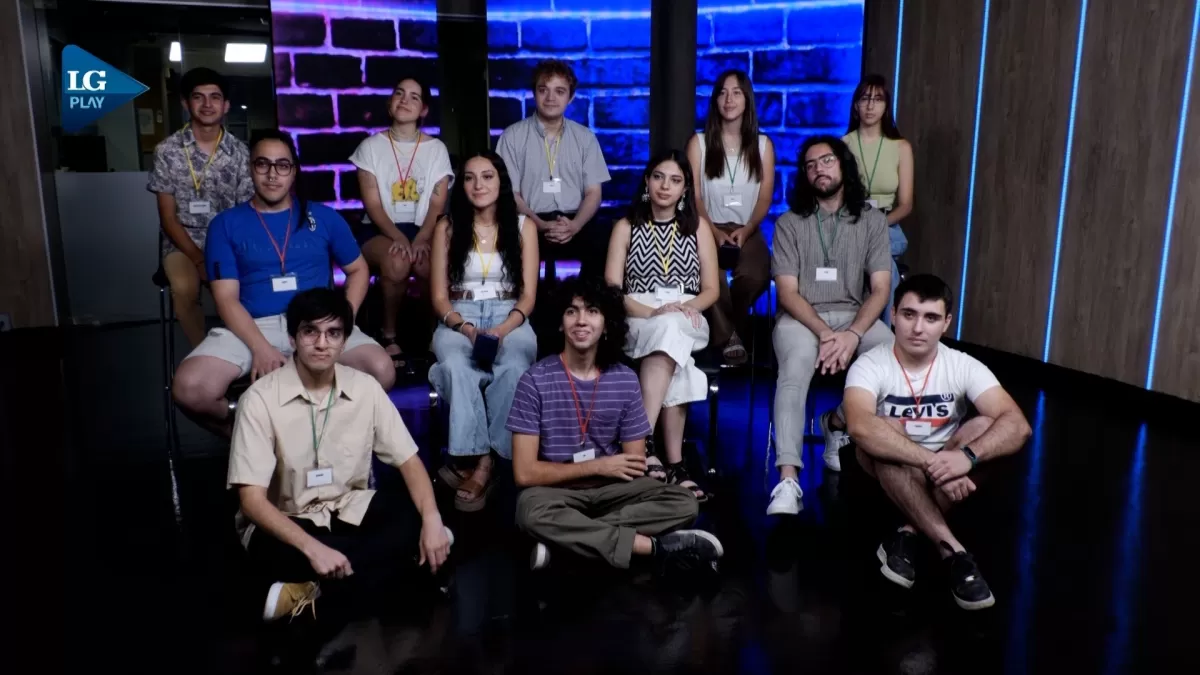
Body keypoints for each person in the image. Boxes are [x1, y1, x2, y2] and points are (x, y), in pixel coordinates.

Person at [228, 288, 453, 625]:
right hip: (289, 520)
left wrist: (432, 520)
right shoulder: (259, 400)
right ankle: (395, 571)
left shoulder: (365, 388)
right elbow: (251, 502)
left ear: (345, 341)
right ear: (292, 338)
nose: (322, 344)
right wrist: (312, 548)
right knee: (271, 550)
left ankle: (311, 589)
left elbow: (409, 461)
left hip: (349, 509)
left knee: (415, 517)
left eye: (333, 333)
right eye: (310, 332)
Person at [173, 130, 395, 437]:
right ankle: (256, 439)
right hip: (252, 326)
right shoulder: (225, 224)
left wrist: (342, 321)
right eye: (262, 164)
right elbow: (225, 299)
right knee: (190, 388)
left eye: (282, 165)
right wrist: (260, 348)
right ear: (251, 168)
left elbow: (358, 270)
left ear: (294, 171)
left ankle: (318, 438)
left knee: (381, 371)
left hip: (317, 322)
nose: (272, 174)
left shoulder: (324, 217)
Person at [842, 274, 1031, 609]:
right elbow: (859, 427)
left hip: (948, 461)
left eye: (930, 318)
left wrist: (966, 457)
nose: (918, 328)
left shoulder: (962, 364)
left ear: (946, 323)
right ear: (893, 315)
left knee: (987, 424)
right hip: (893, 467)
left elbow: (1018, 426)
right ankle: (954, 552)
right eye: (909, 314)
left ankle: (908, 534)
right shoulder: (869, 364)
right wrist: (935, 463)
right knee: (884, 428)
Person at [510, 275, 723, 573]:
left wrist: (606, 473)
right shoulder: (534, 380)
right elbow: (524, 473)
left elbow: (633, 463)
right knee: (528, 510)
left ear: (607, 324)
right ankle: (652, 547)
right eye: (571, 311)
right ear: (560, 323)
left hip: (613, 493)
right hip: (556, 491)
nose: (581, 321)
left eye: (592, 311)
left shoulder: (624, 379)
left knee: (684, 502)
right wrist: (598, 466)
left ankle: (565, 542)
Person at [767, 135, 893, 515]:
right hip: (801, 318)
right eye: (810, 165)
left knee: (893, 360)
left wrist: (852, 334)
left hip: (855, 316)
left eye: (826, 160)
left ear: (843, 166)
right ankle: (788, 479)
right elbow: (787, 293)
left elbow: (881, 289)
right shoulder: (789, 223)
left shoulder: (872, 221)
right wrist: (825, 333)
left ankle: (836, 421)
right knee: (793, 372)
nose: (818, 169)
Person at [605, 150, 719, 501]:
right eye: (658, 177)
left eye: (675, 180)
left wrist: (681, 309)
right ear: (647, 181)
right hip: (638, 314)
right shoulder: (625, 226)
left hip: (688, 313)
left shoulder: (698, 228)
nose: (665, 186)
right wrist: (653, 313)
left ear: (685, 188)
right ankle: (676, 465)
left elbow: (711, 289)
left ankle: (641, 440)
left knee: (672, 330)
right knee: (675, 358)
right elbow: (612, 289)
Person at [429, 151, 539, 512]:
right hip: (459, 315)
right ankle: (481, 460)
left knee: (514, 368)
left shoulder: (523, 226)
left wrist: (502, 330)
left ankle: (481, 463)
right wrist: (467, 329)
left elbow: (528, 297)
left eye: (487, 176)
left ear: (501, 181)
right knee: (456, 367)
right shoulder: (447, 227)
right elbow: (439, 298)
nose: (478, 185)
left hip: (510, 314)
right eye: (470, 177)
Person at [350, 77, 454, 369]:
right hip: (379, 228)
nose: (405, 100)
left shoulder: (436, 149)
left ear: (424, 110)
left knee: (426, 263)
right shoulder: (370, 147)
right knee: (397, 261)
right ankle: (389, 335)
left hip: (424, 227)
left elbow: (437, 204)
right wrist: (397, 236)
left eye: (414, 97)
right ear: (390, 103)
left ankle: (435, 333)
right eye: (399, 93)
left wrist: (422, 237)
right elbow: (372, 204)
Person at [148, 67, 253, 347]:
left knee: (252, 283)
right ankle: (203, 353)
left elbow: (244, 214)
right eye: (198, 97)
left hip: (228, 242)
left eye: (215, 97)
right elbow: (168, 218)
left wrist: (224, 254)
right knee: (184, 288)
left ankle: (243, 351)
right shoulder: (167, 151)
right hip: (182, 244)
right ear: (186, 103)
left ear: (226, 105)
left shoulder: (241, 153)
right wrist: (198, 259)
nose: (207, 104)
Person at [685, 69, 775, 365]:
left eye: (736, 93)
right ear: (715, 100)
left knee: (754, 276)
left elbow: (764, 197)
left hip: (747, 227)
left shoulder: (763, 145)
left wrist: (747, 229)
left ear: (747, 99)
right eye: (722, 93)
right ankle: (730, 338)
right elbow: (695, 196)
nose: (729, 99)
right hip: (705, 226)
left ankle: (729, 326)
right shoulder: (699, 143)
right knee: (711, 279)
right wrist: (712, 231)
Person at [496, 59, 612, 279]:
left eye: (559, 91)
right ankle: (529, 300)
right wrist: (539, 224)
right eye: (543, 90)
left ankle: (583, 298)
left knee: (605, 237)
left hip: (574, 219)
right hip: (529, 218)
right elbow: (511, 194)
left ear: (571, 97)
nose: (550, 98)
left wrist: (575, 225)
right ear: (534, 93)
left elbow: (594, 193)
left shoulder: (585, 138)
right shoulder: (512, 136)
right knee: (509, 235)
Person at [843, 74, 913, 326]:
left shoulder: (901, 147)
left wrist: (878, 224)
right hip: (850, 223)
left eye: (878, 99)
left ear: (886, 107)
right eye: (865, 99)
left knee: (881, 255)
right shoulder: (842, 145)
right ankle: (880, 333)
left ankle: (877, 331)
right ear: (856, 105)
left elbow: (906, 204)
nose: (871, 106)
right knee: (885, 266)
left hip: (886, 225)